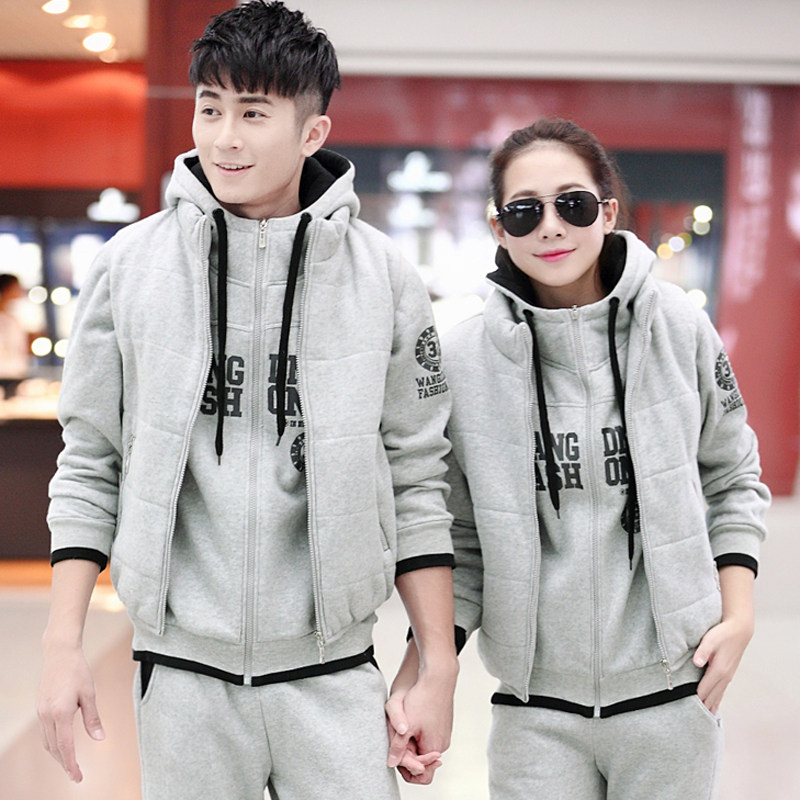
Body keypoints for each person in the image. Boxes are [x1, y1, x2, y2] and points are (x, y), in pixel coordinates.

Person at [36, 3, 458, 798]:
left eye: (254, 113)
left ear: (312, 132)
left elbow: (417, 477)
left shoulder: (385, 279)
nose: (225, 137)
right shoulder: (129, 267)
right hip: (183, 676)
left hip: (334, 673)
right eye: (211, 109)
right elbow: (90, 460)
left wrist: (437, 664)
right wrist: (64, 644)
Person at [427, 118, 769, 798]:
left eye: (573, 204)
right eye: (524, 212)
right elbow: (461, 538)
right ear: (499, 228)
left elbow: (733, 477)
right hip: (535, 710)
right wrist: (430, 665)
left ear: (607, 213)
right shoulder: (465, 361)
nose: (550, 227)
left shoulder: (679, 328)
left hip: (672, 695)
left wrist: (739, 617)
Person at [0, 273, 30, 395]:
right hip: (4, 374)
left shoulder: (13, 319)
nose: (20, 290)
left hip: (15, 374)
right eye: (16, 287)